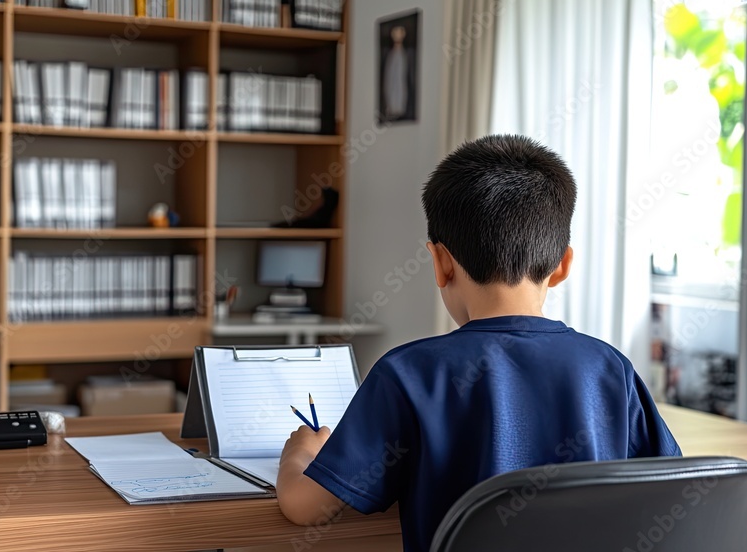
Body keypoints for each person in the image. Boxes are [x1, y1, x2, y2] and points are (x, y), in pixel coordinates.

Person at [275, 134, 682, 552]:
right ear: (562, 266)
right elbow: (674, 485)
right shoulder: (610, 368)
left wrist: (300, 455)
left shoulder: (408, 373)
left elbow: (307, 508)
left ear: (440, 262)